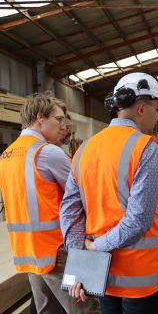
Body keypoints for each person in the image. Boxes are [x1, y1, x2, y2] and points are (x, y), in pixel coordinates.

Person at [60, 72, 158, 314]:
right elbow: (138, 220)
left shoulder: (84, 150)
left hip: (103, 276)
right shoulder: (145, 146)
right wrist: (95, 248)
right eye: (156, 108)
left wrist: (81, 264)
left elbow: (70, 212)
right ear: (141, 109)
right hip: (143, 276)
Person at [0, 94, 98, 313]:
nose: (63, 125)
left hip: (28, 250)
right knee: (86, 309)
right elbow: (84, 197)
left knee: (47, 311)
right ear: (40, 118)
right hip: (57, 251)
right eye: (58, 119)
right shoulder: (48, 153)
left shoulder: (6, 156)